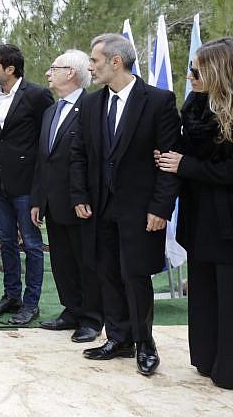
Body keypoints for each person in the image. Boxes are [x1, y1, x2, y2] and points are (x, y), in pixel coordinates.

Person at [71, 33, 179, 377]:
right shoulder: (89, 104)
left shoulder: (159, 101)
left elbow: (169, 163)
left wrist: (161, 208)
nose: (91, 66)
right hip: (99, 208)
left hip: (140, 209)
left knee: (136, 276)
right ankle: (118, 338)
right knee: (107, 273)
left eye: (95, 60)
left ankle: (145, 343)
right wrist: (80, 196)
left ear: (115, 62)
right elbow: (79, 154)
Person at [157, 38, 233, 389]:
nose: (189, 76)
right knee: (203, 290)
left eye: (196, 70)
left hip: (227, 220)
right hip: (199, 214)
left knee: (227, 293)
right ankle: (206, 358)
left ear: (218, 71)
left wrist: (186, 164)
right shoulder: (195, 105)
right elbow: (187, 150)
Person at [29, 49, 102, 343]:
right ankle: (71, 310)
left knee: (86, 261)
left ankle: (92, 318)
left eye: (53, 68)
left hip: (80, 203)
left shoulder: (91, 107)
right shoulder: (51, 111)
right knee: (62, 261)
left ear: (70, 73)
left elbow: (90, 159)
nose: (48, 73)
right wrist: (37, 199)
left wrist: (80, 196)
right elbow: (42, 159)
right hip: (52, 202)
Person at [0, 44, 54, 325]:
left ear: (10, 69)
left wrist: (41, 188)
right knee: (6, 241)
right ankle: (11, 296)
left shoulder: (37, 96)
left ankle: (31, 303)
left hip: (26, 185)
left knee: (33, 245)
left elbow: (46, 141)